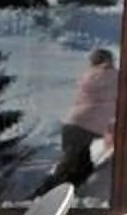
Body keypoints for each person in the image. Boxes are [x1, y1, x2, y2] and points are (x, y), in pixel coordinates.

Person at [47, 46, 117, 191]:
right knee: (70, 168)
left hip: (73, 125)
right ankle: (43, 196)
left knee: (79, 166)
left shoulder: (89, 77)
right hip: (86, 128)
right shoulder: (114, 77)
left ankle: (67, 194)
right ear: (109, 60)